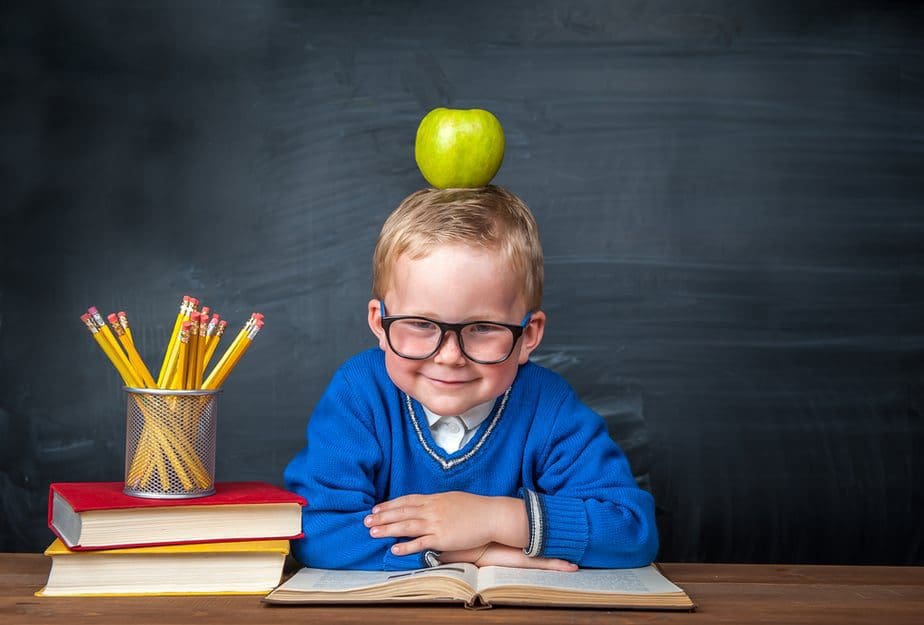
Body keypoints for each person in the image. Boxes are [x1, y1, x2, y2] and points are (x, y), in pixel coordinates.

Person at [284, 185, 658, 571]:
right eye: (419, 324)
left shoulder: (548, 405)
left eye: (481, 327)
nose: (449, 356)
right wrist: (464, 554)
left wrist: (494, 519)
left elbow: (631, 531)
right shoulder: (360, 393)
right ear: (380, 324)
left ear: (528, 336)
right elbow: (316, 529)